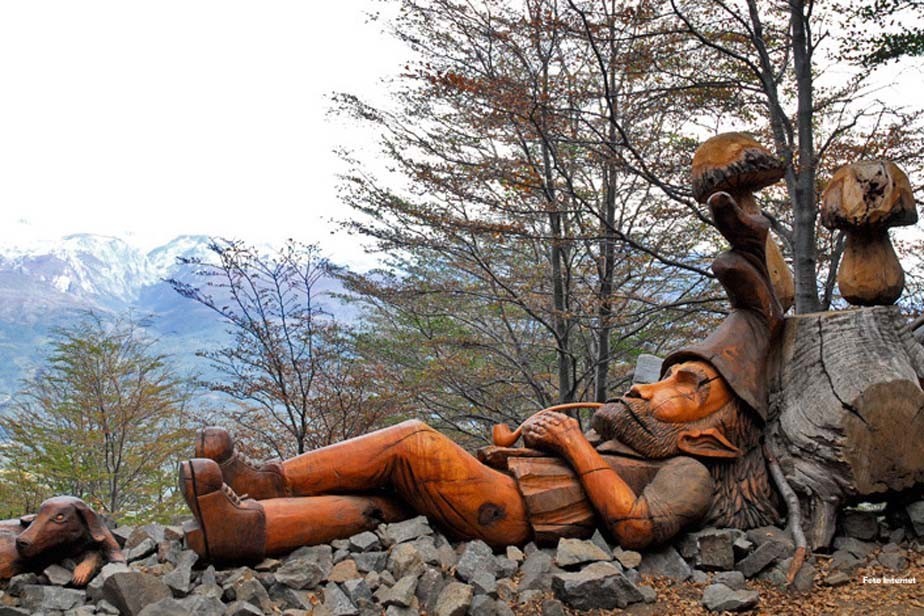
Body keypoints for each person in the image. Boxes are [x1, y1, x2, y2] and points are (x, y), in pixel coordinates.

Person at [179, 192, 781, 563]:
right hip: (503, 491)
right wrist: (522, 444)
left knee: (411, 442)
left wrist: (571, 444)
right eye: (669, 375)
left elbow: (634, 527)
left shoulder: (689, 471)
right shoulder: (625, 438)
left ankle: (266, 480)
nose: (650, 389)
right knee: (377, 506)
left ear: (713, 435)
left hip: (513, 514)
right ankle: (244, 529)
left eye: (686, 390)